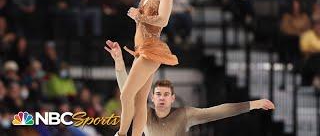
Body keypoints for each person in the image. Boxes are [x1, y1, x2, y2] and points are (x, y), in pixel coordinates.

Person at [104, 40, 275, 136]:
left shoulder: (184, 115)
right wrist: (119, 62)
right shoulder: (146, 115)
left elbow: (218, 112)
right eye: (158, 94)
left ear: (172, 98)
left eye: (165, 94)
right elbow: (128, 91)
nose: (162, 98)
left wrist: (253, 104)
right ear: (152, 98)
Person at [106, 0, 184, 136]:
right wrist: (137, 17)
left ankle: (121, 134)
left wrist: (139, 16)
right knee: (140, 101)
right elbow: (143, 21)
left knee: (126, 96)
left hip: (152, 49)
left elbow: (163, 20)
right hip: (140, 49)